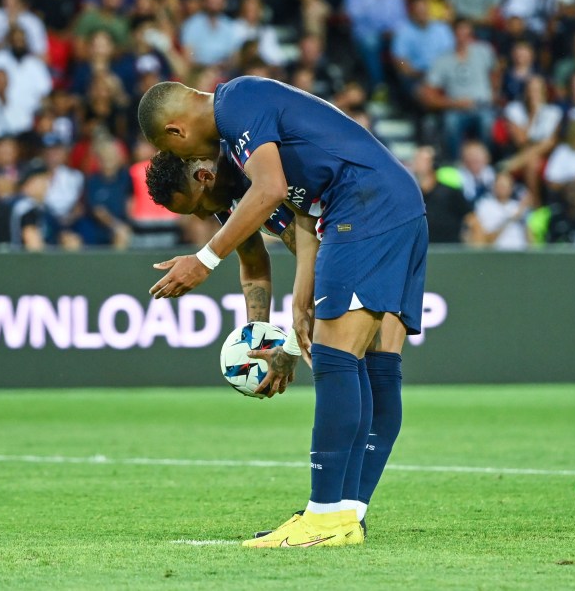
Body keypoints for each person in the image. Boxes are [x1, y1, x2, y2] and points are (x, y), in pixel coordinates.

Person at [136, 76, 427, 547]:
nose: (204, 217)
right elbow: (292, 226)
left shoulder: (236, 106)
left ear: (177, 133)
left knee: (335, 359)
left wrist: (205, 260)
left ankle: (326, 516)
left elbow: (273, 191)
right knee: (373, 362)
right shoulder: (237, 160)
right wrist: (264, 337)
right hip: (382, 203)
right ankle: (346, 513)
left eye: (196, 205)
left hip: (364, 204)